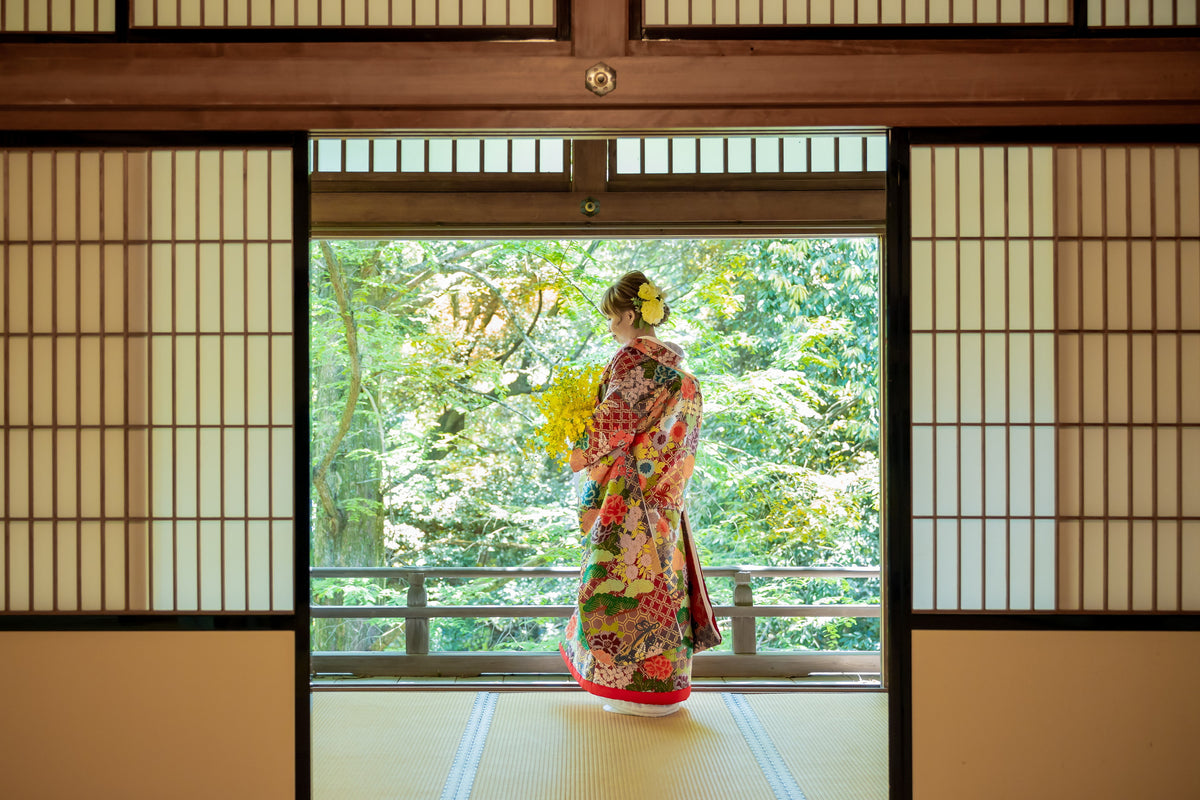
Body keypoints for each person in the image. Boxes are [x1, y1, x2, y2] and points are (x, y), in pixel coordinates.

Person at [559, 271, 722, 717]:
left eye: (613, 318)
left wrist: (577, 452)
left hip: (629, 500)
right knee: (663, 588)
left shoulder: (634, 363)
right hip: (666, 501)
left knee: (621, 589)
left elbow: (612, 424)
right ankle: (662, 685)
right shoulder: (682, 372)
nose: (611, 328)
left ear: (630, 315)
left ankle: (631, 689)